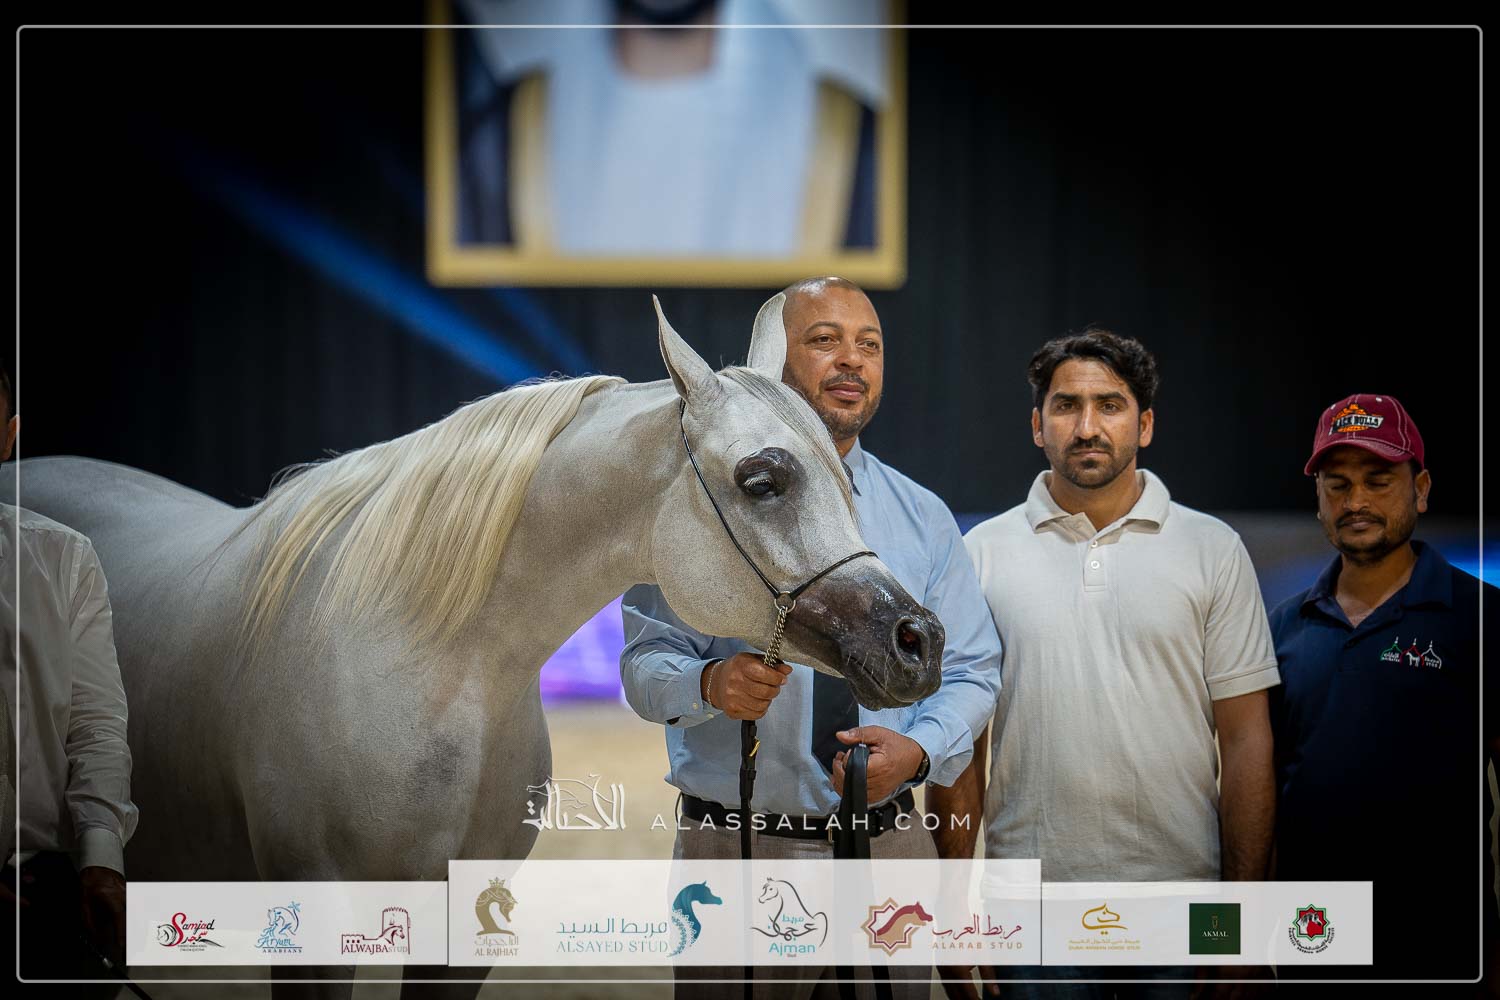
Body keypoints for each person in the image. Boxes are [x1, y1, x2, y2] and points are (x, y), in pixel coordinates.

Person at [620, 276, 1003, 999]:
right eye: (825, 340)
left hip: (891, 850)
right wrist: (707, 684)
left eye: (870, 345)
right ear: (777, 362)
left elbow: (973, 670)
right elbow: (644, 662)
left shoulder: (921, 515)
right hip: (738, 851)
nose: (851, 360)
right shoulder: (702, 504)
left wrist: (919, 752)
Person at [960, 328, 1279, 997]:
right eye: (1066, 406)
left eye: (1109, 405)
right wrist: (961, 909)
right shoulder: (980, 553)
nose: (1087, 427)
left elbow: (1248, 741)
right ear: (1037, 425)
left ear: (1146, 424)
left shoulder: (1213, 549)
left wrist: (1242, 919)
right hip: (1028, 908)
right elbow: (962, 747)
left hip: (1184, 903)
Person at [1268, 393, 1497, 985]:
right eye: (1338, 485)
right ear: (1319, 499)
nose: (1356, 502)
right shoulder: (1280, 628)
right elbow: (1261, 790)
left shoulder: (1481, 617)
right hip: (1311, 941)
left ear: (1420, 489)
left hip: (1442, 943)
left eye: (1378, 481)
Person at [1, 361, 137, 993]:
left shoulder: (64, 558)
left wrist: (101, 859)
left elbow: (97, 723)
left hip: (48, 884)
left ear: (9, 436)